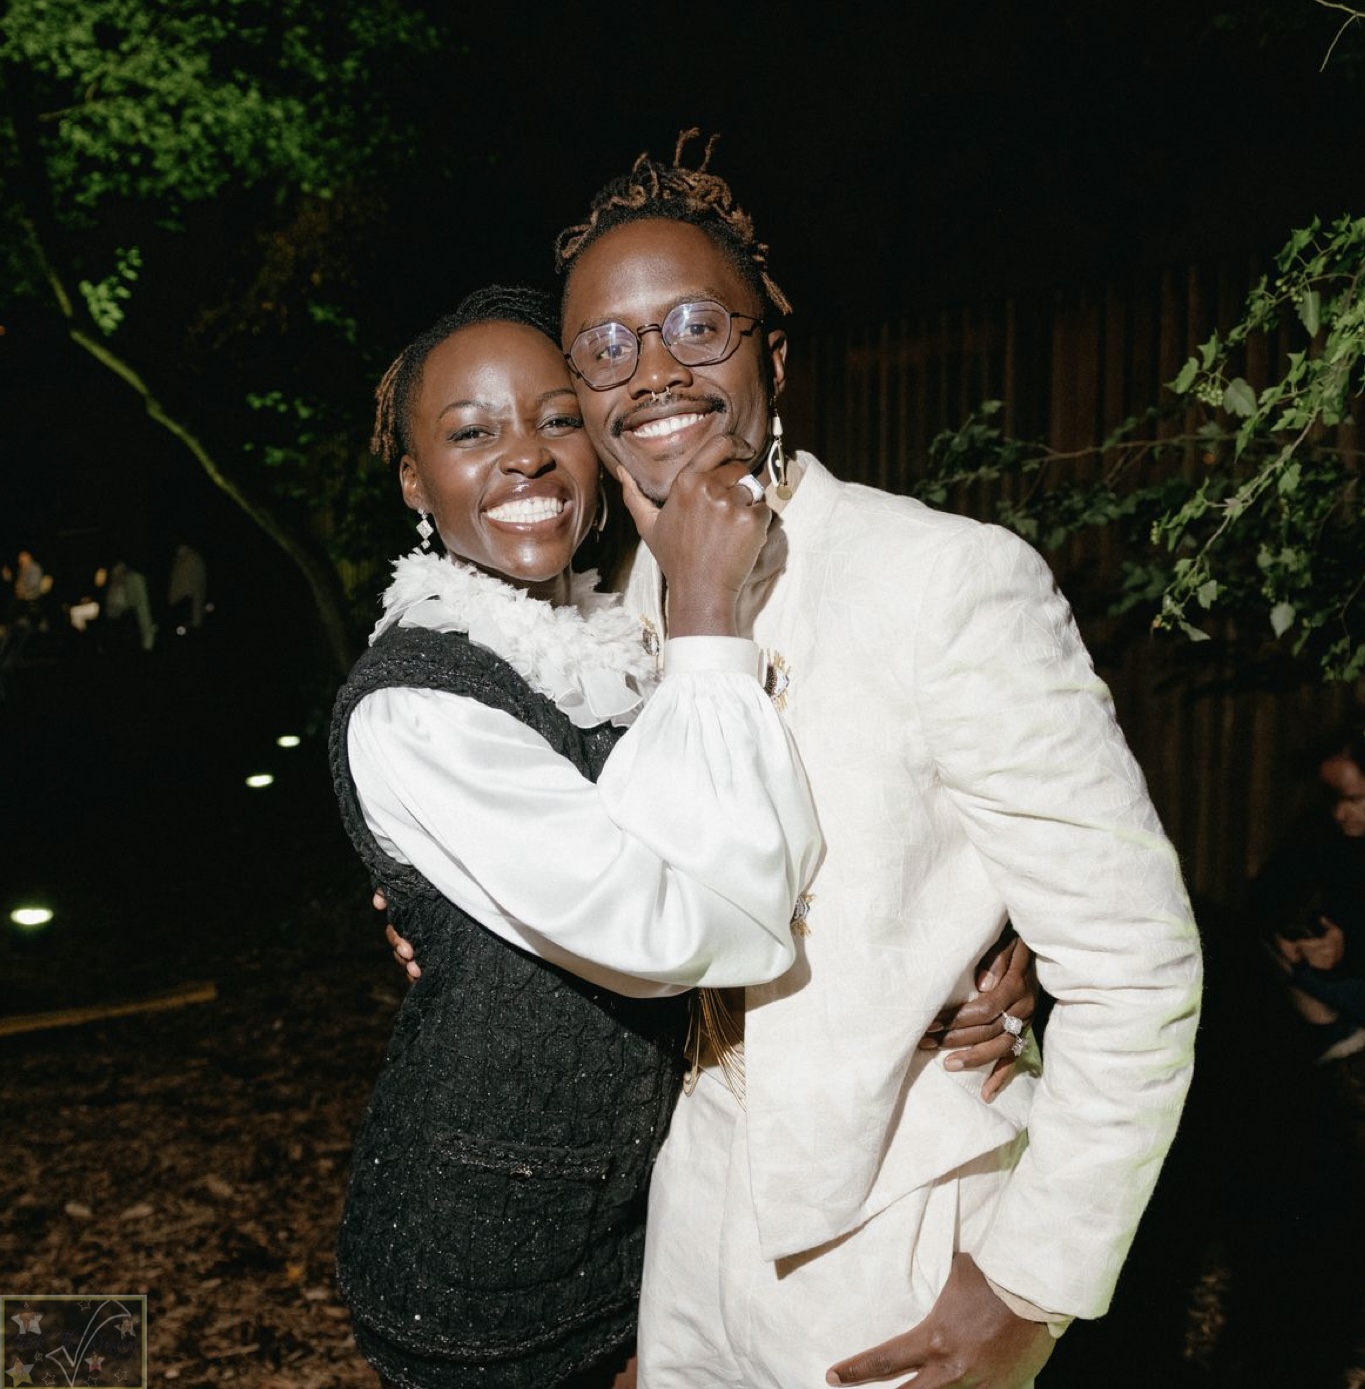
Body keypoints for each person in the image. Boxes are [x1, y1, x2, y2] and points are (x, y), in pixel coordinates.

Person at [545, 134, 1202, 1389]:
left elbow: (1136, 962)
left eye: (697, 326)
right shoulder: (605, 624)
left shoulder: (940, 577)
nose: (655, 369)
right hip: (687, 1223)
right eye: (608, 346)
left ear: (775, 359)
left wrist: (1031, 1282)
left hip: (898, 1229)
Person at [329, 285, 825, 1389]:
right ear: (413, 480)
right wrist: (705, 616)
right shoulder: (417, 701)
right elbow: (675, 931)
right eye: (472, 433)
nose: (526, 456)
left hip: (652, 1211)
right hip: (488, 1256)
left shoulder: (619, 629)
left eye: (558, 419)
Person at [1259, 721, 1365, 1063]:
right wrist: (1289, 937)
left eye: (1354, 800)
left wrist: (1348, 951)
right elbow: (1268, 894)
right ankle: (1337, 1038)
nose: (1340, 813)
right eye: (1333, 799)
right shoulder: (1325, 831)